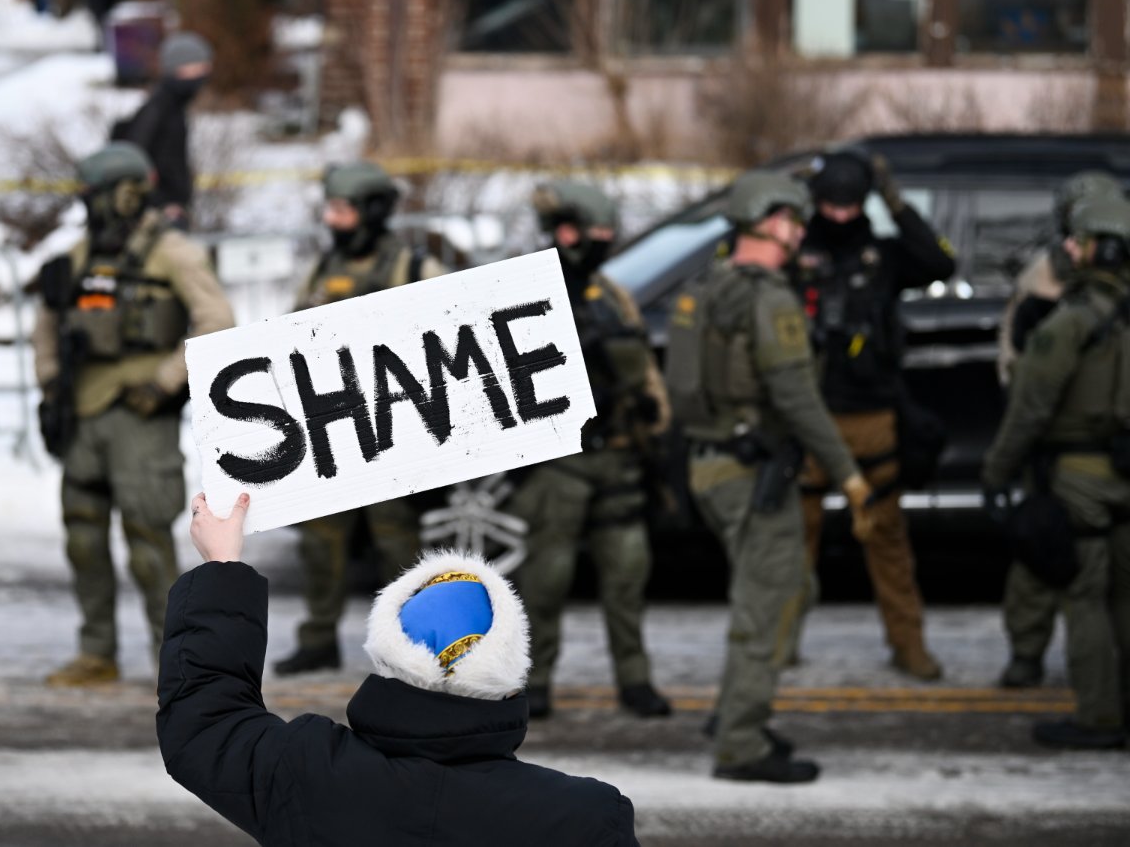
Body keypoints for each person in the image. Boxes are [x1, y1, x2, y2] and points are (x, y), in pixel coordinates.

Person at [157, 491, 641, 846]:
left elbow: (206, 721)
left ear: (386, 655)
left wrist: (223, 564)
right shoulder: (587, 820)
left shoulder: (307, 773)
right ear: (512, 673)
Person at [665, 171, 875, 784]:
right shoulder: (768, 299)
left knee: (792, 590)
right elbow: (798, 398)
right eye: (795, 221)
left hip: (712, 465)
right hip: (749, 471)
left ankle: (737, 708)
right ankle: (741, 743)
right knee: (767, 605)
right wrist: (849, 475)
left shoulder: (708, 286)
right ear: (775, 222)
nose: (800, 232)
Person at [32, 142, 235, 686]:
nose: (88, 204)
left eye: (94, 194)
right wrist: (49, 381)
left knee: (149, 543)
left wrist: (165, 380)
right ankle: (96, 651)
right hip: (83, 412)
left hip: (141, 416)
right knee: (83, 538)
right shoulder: (78, 256)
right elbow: (47, 322)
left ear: (124, 194)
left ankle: (176, 664)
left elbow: (216, 321)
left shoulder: (172, 252)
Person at [787, 150, 957, 681]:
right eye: (829, 206)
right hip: (807, 418)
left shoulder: (884, 255)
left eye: (850, 205)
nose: (839, 216)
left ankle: (909, 645)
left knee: (887, 540)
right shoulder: (794, 251)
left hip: (873, 417)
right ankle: (776, 645)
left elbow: (939, 264)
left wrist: (896, 203)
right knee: (791, 541)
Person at [507, 180, 673, 720]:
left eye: (608, 232)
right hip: (558, 463)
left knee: (628, 575)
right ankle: (535, 680)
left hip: (618, 456)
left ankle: (634, 679)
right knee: (546, 579)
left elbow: (645, 370)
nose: (604, 241)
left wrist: (654, 418)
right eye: (595, 231)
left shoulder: (611, 295)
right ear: (567, 231)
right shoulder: (523, 292)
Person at [272, 161, 445, 676]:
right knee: (320, 541)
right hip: (334, 428)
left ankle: (411, 642)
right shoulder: (322, 268)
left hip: (392, 427)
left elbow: (450, 336)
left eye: (343, 210)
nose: (333, 220)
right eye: (330, 209)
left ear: (370, 211)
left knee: (396, 541)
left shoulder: (414, 267)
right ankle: (319, 637)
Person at [981, 195, 1130, 751]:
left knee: (1085, 596)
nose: (1068, 249)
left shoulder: (1071, 323)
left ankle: (1098, 717)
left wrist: (997, 473)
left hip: (1080, 475)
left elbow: (1029, 408)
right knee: (1125, 595)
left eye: (1078, 241)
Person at [112, 31, 213, 229]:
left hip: (169, 211)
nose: (205, 71)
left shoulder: (174, 106)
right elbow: (134, 159)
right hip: (159, 216)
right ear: (180, 67)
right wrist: (161, 203)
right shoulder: (159, 109)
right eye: (198, 66)